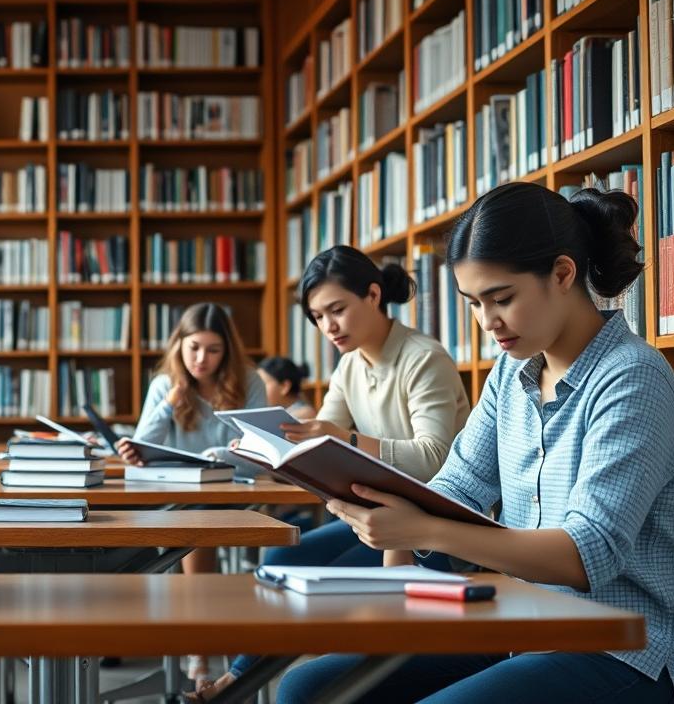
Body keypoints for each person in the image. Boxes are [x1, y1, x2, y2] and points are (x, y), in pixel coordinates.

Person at [277, 183, 674, 703]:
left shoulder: (632, 378)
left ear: (562, 274)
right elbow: (459, 483)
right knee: (308, 686)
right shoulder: (511, 375)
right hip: (519, 622)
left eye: (502, 298)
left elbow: (588, 554)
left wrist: (424, 528)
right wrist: (394, 529)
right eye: (473, 304)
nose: (488, 322)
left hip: (621, 646)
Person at [192, 246, 470, 702]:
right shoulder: (350, 365)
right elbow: (316, 442)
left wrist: (345, 440)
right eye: (318, 318)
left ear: (374, 295)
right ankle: (239, 682)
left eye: (337, 310)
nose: (328, 327)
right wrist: (273, 453)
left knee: (311, 582)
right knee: (279, 560)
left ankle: (234, 685)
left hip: (434, 527)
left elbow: (435, 457)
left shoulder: (423, 358)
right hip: (377, 513)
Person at [115, 302, 265, 686]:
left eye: (213, 350)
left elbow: (260, 454)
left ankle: (199, 646)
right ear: (179, 345)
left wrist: (217, 457)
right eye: (194, 347)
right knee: (194, 522)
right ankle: (201, 644)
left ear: (226, 352)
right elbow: (142, 452)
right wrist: (168, 407)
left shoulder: (248, 382)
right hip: (177, 497)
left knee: (197, 523)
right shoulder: (165, 385)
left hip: (235, 492)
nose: (202, 358)